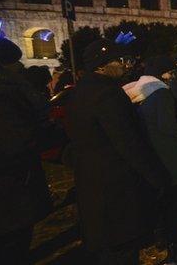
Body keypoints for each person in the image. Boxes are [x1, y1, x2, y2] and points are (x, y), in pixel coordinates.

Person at [65, 39, 170, 264]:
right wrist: (156, 177)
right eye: (120, 61)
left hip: (91, 182)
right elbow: (129, 143)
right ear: (103, 65)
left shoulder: (81, 90)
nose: (125, 66)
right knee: (121, 251)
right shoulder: (108, 94)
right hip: (115, 187)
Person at [123, 55, 177, 264]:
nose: (172, 76)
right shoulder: (161, 94)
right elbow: (169, 127)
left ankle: (160, 237)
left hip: (149, 155)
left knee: (159, 203)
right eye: (170, 72)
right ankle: (174, 248)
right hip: (167, 157)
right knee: (173, 206)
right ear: (162, 73)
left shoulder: (134, 91)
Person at [0, 38, 53, 264]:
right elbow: (19, 141)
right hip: (10, 191)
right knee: (13, 247)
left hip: (10, 189)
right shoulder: (6, 94)